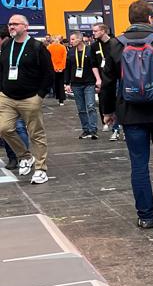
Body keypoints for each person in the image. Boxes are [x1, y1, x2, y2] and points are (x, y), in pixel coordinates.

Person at [99, 2, 153, 229]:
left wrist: (107, 111)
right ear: (150, 18)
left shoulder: (116, 45)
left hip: (130, 113)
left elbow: (108, 83)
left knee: (139, 163)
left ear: (130, 19)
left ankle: (146, 216)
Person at [0, 14, 53, 184]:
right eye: (10, 24)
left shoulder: (37, 46)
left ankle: (41, 169)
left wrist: (40, 96)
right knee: (4, 129)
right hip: (7, 97)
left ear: (25, 27)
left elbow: (48, 73)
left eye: (15, 24)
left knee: (36, 134)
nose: (11, 26)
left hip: (30, 98)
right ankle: (25, 156)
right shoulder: (7, 45)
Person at [65, 30, 99, 139]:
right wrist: (67, 83)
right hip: (76, 84)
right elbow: (68, 68)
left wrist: (98, 80)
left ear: (80, 39)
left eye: (73, 39)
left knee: (91, 106)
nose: (71, 41)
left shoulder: (89, 50)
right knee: (81, 108)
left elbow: (95, 66)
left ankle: (93, 130)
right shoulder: (71, 52)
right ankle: (86, 129)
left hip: (89, 82)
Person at [47, 35, 67, 104]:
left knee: (54, 83)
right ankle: (61, 100)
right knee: (61, 84)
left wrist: (55, 67)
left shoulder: (49, 47)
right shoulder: (63, 47)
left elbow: (49, 59)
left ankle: (56, 95)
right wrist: (61, 67)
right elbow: (64, 58)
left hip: (53, 68)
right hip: (61, 69)